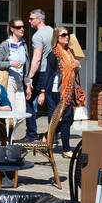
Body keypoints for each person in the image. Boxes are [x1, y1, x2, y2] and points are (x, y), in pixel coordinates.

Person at [37, 26, 82, 156]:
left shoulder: (71, 52)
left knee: (68, 119)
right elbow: (48, 73)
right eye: (63, 35)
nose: (66, 37)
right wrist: (42, 92)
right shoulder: (53, 54)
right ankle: (66, 149)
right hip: (55, 91)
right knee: (58, 119)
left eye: (67, 34)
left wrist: (77, 66)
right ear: (57, 37)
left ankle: (46, 137)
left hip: (68, 90)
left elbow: (73, 70)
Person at [0, 18, 30, 141]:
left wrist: (28, 83)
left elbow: (27, 64)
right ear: (12, 29)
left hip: (20, 83)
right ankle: (9, 142)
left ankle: (7, 138)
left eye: (23, 26)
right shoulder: (6, 44)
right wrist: (10, 63)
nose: (22, 29)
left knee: (22, 114)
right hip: (9, 81)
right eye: (19, 27)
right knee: (12, 115)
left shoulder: (23, 44)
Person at [23, 9, 54, 141]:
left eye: (31, 19)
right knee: (52, 103)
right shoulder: (53, 31)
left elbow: (37, 58)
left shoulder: (37, 36)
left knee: (28, 99)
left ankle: (31, 134)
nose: (29, 21)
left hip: (42, 72)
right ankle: (53, 135)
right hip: (53, 72)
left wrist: (29, 77)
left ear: (39, 20)